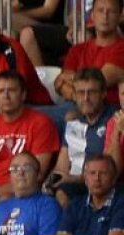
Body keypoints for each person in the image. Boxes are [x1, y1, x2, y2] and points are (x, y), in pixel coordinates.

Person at [0, 70, 61, 202]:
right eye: (1, 91)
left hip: (25, 191)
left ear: (23, 95)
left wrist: (0, 193)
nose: (6, 96)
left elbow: (37, 174)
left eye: (12, 90)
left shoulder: (41, 123)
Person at [43, 155, 124, 235]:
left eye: (103, 173)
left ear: (114, 179)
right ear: (85, 179)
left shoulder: (120, 203)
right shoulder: (75, 205)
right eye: (92, 173)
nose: (97, 178)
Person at [49, 68, 116, 203]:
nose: (85, 98)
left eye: (91, 92)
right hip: (76, 185)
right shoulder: (73, 121)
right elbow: (62, 164)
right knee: (56, 194)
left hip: (103, 184)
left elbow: (111, 170)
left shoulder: (114, 119)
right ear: (74, 95)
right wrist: (52, 181)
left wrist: (72, 179)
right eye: (80, 93)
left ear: (103, 93)